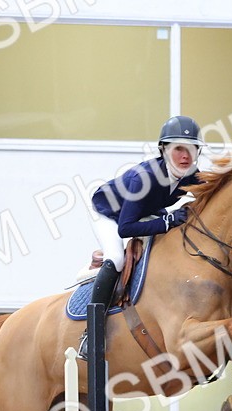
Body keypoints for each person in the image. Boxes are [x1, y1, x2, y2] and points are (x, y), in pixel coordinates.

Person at [79, 115, 204, 359]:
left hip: (144, 212)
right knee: (116, 259)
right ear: (163, 150)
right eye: (179, 148)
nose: (186, 156)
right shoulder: (142, 179)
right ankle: (90, 334)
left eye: (192, 149)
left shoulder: (191, 175)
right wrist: (167, 221)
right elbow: (126, 228)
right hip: (110, 215)